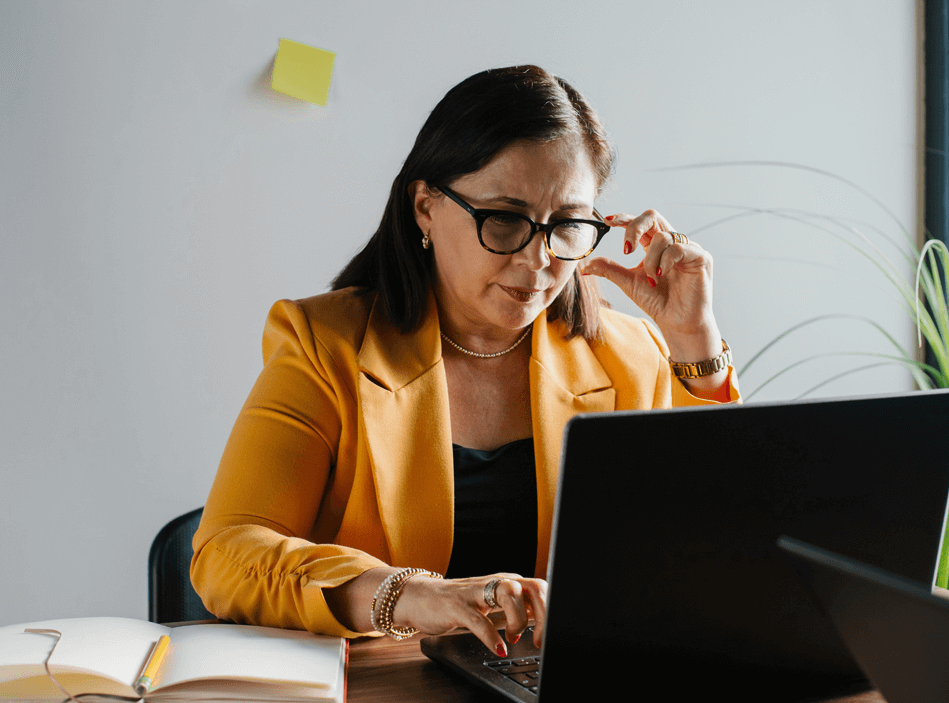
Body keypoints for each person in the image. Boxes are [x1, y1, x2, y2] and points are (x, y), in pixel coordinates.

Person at [191, 65, 740, 659]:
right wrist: (409, 595)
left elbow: (718, 560)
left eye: (566, 226)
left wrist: (693, 340)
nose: (538, 260)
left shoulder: (629, 355)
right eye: (505, 219)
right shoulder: (326, 346)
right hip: (382, 686)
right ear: (425, 207)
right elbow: (227, 552)